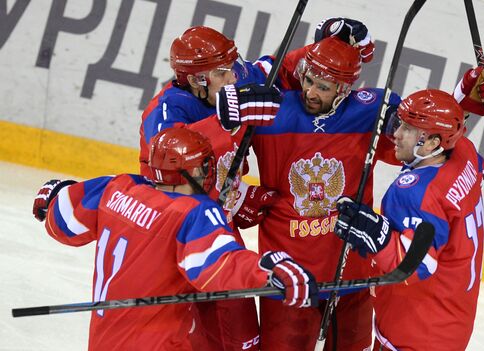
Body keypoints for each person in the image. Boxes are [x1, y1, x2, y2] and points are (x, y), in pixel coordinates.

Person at [216, 18, 484, 348]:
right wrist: (237, 193)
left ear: (344, 89)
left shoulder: (370, 110)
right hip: (289, 275)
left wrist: (466, 97)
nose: (311, 92)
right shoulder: (270, 111)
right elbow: (216, 159)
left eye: (323, 88)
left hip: (351, 270)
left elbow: (428, 134)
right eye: (308, 80)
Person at [138, 22, 373, 350]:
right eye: (224, 72)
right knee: (190, 333)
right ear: (196, 80)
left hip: (217, 221)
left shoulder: (231, 79)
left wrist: (331, 45)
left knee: (242, 333)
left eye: (233, 66)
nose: (235, 77)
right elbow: (167, 157)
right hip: (176, 231)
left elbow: (279, 69)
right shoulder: (167, 111)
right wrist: (225, 119)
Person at [31, 126, 318, 351]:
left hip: (103, 340)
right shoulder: (192, 212)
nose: (208, 173)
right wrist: (268, 271)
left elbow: (63, 219)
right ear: (193, 171)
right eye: (206, 166)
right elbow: (219, 264)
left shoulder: (118, 188)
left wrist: (55, 196)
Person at [333, 89, 484, 350]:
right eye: (401, 124)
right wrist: (463, 96)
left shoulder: (414, 194)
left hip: (417, 332)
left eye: (408, 129)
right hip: (451, 318)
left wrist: (377, 236)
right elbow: (483, 169)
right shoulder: (463, 151)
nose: (396, 134)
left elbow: (418, 265)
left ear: (433, 143)